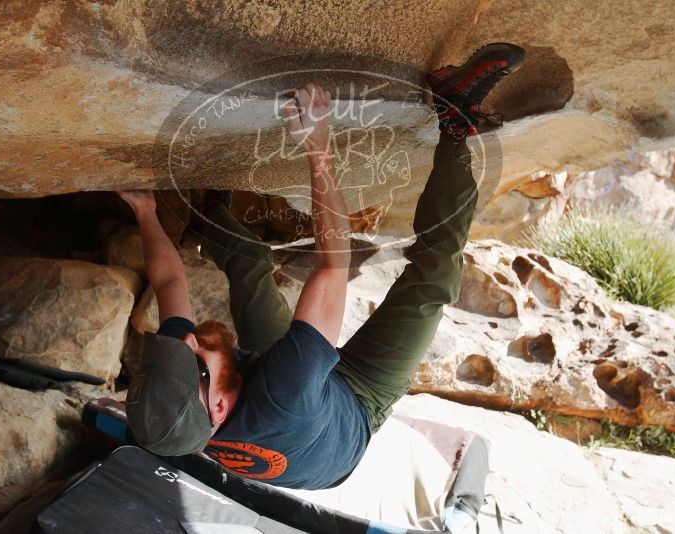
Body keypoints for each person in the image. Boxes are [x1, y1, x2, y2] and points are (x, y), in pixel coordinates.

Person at [119, 44, 525, 498]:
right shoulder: (284, 396)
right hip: (354, 407)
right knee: (432, 279)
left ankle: (210, 217)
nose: (188, 341)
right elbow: (333, 265)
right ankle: (455, 119)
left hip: (279, 395)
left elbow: (170, 282)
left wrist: (145, 210)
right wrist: (317, 144)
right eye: (194, 363)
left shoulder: (181, 399)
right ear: (217, 406)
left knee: (251, 265)